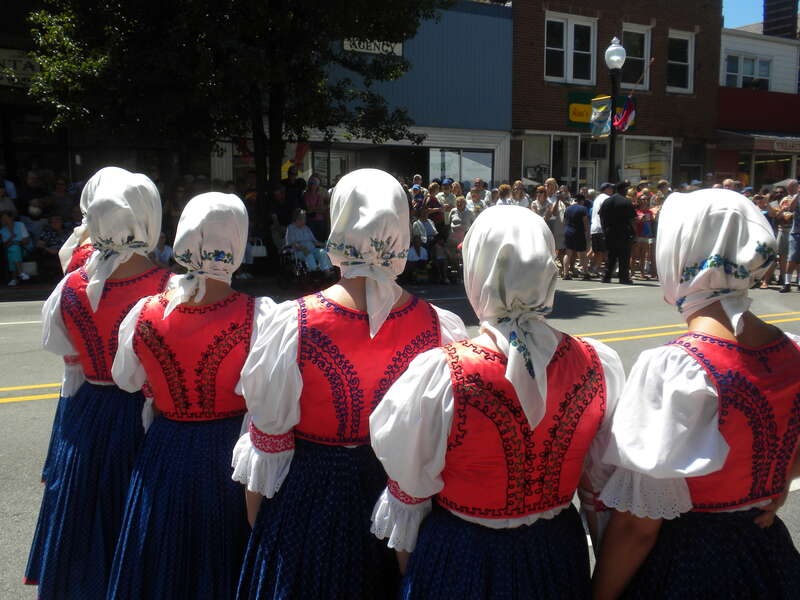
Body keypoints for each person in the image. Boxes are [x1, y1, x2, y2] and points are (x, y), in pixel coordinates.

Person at [231, 168, 468, 599]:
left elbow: (267, 446)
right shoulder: (439, 327)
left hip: (309, 498)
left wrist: (262, 532)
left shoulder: (295, 322)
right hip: (401, 502)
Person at [369, 206, 624, 599]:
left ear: (479, 271)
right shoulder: (597, 365)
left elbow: (410, 498)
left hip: (462, 557)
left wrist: (415, 578)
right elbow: (601, 493)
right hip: (556, 554)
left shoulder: (443, 372)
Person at [592, 189, 800, 600]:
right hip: (766, 549)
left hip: (690, 561)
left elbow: (638, 527)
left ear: (680, 254)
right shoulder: (793, 349)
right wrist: (773, 486)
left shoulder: (677, 366)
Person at [107, 193, 270, 599]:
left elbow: (127, 379)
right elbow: (267, 396)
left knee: (162, 554)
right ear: (236, 242)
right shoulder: (258, 315)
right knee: (223, 558)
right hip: (228, 452)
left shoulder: (145, 311)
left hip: (164, 448)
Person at [25, 167, 170, 599]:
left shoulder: (70, 286)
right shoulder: (169, 290)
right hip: (145, 421)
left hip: (86, 412)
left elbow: (67, 357)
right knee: (137, 527)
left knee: (85, 519)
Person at [599, 181, 636, 284]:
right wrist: (635, 233)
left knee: (611, 256)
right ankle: (623, 277)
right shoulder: (626, 202)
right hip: (624, 232)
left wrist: (604, 229)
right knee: (624, 256)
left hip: (609, 232)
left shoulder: (607, 201)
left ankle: (606, 276)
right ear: (624, 190)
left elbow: (601, 216)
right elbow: (632, 220)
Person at [285, 208, 334, 274]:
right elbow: (292, 243)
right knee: (309, 254)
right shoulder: (291, 228)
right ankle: (315, 272)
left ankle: (326, 271)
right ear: (296, 219)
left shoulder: (306, 228)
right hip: (298, 252)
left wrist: (326, 245)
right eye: (303, 218)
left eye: (305, 218)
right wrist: (302, 248)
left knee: (322, 252)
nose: (305, 221)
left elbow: (315, 242)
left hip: (312, 249)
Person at [563, 194, 590, 280]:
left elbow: (564, 221)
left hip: (568, 231)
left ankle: (566, 273)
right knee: (582, 254)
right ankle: (585, 273)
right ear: (582, 200)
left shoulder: (567, 209)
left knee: (568, 253)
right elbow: (585, 221)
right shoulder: (583, 209)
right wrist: (587, 233)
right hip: (579, 232)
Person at [1, 210, 31, 285]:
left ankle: (14, 278)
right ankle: (21, 273)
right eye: (2, 219)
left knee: (14, 248)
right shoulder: (2, 230)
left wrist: (17, 243)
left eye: (6, 218)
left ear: (11, 218)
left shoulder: (20, 225)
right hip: (10, 250)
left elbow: (26, 241)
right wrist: (11, 239)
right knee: (13, 249)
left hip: (23, 248)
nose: (4, 220)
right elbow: (4, 245)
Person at [590, 182, 614, 275]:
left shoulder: (597, 198)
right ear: (606, 189)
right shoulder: (606, 198)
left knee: (597, 251)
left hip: (595, 228)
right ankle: (596, 269)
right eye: (610, 188)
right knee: (603, 251)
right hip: (602, 228)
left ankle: (593, 268)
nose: (612, 190)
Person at [631, 191, 656, 280]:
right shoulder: (636, 211)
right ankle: (632, 273)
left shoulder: (649, 211)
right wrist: (640, 219)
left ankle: (642, 273)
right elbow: (634, 222)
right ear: (639, 200)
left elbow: (652, 222)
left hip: (646, 235)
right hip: (638, 234)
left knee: (643, 255)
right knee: (634, 255)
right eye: (643, 199)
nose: (645, 201)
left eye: (646, 199)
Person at [779, 179, 798, 293]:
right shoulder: (788, 199)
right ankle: (787, 283)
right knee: (791, 258)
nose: (789, 190)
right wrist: (797, 195)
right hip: (795, 230)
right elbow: (790, 209)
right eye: (788, 188)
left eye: (791, 187)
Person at [303, 174, 328, 240]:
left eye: (315, 182)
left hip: (321, 220)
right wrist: (318, 209)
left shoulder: (321, 194)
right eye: (312, 182)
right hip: (310, 220)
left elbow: (322, 209)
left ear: (318, 184)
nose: (313, 184)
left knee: (321, 238)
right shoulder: (306, 194)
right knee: (311, 239)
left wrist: (313, 209)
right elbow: (308, 209)